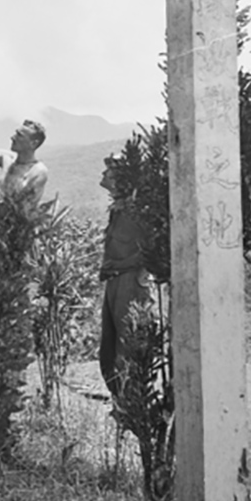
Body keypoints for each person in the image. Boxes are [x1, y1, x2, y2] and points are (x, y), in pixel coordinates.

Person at [98, 154, 151, 399]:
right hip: (114, 280)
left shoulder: (135, 210)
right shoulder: (119, 209)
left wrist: (120, 268)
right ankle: (119, 399)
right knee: (109, 347)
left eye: (108, 173)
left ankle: (129, 402)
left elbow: (147, 251)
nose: (103, 177)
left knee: (125, 345)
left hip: (128, 282)